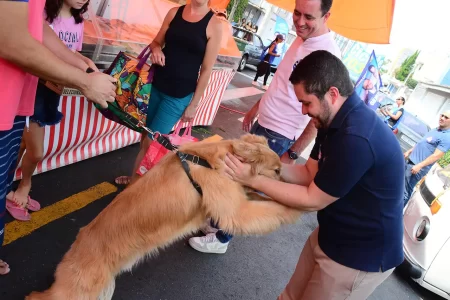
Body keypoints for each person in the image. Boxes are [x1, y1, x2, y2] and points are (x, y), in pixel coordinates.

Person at [223, 50, 405, 299]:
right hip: (330, 234)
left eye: (306, 102)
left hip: (358, 256)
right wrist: (265, 168)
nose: (302, 110)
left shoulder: (357, 137)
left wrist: (251, 179)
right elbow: (310, 173)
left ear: (332, 94)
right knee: (288, 296)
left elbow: (312, 199)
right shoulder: (329, 120)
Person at [189, 0, 341, 254]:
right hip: (264, 122)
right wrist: (256, 107)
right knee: (232, 174)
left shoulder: (328, 55)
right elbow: (280, 82)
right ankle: (217, 223)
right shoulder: (300, 39)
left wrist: (292, 153)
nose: (300, 22)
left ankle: (223, 238)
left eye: (308, 17)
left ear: (327, 16)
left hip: (282, 134)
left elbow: (319, 118)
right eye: (296, 13)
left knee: (248, 184)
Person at [0, 0, 116, 276]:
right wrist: (83, 80)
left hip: (13, 105)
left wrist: (80, 64)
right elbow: (11, 40)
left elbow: (34, 26)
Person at [6, 0, 97, 221]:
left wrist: (87, 69)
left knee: (20, 144)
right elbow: (26, 51)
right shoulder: (44, 13)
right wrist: (80, 80)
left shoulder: (79, 21)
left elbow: (72, 54)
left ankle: (7, 188)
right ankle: (23, 186)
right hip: (34, 88)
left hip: (52, 91)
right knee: (35, 151)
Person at [114, 0, 223, 185]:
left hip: (178, 96)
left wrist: (194, 104)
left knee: (151, 142)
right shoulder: (175, 12)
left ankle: (133, 189)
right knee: (145, 137)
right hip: (154, 86)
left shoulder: (215, 25)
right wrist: (156, 50)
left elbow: (206, 70)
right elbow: (156, 42)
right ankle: (137, 180)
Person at [403, 111, 450, 206]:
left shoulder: (447, 137)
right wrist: (409, 151)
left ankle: (395, 216)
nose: (442, 118)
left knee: (405, 192)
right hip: (410, 162)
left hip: (417, 168)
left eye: (446, 117)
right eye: (442, 115)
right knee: (400, 187)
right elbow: (421, 142)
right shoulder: (435, 130)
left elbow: (437, 155)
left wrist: (419, 165)